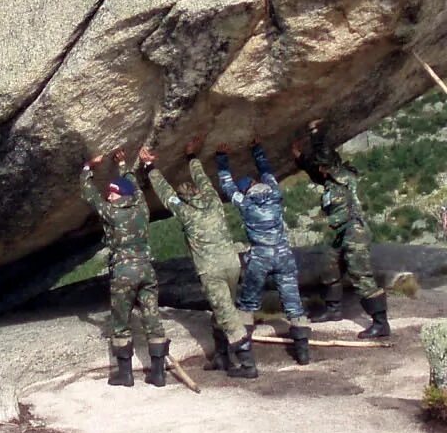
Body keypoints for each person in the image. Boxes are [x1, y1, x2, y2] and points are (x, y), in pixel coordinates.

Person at [147, 140, 250, 376]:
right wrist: (191, 156)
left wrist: (150, 168)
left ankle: (247, 364)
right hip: (233, 264)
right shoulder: (213, 201)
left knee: (226, 314)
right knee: (222, 308)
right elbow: (203, 178)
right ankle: (222, 357)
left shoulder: (185, 212)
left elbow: (166, 194)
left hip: (211, 271)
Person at [217, 142, 311, 367]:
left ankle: (245, 353)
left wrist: (221, 156)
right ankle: (303, 352)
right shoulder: (275, 195)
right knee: (293, 303)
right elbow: (267, 170)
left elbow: (226, 184)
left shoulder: (245, 203)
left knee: (248, 304)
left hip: (260, 258)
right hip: (283, 255)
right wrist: (257, 148)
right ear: (256, 184)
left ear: (245, 190)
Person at [80, 147, 169, 387]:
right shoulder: (141, 208)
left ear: (118, 196)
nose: (109, 196)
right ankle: (159, 373)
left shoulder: (110, 213)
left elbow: (90, 195)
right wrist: (123, 166)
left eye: (112, 193)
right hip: (146, 270)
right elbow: (136, 189)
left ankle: (125, 374)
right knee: (153, 318)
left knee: (120, 322)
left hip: (123, 272)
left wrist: (87, 168)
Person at [297, 121, 390, 340]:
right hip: (340, 231)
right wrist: (300, 159)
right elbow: (315, 171)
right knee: (329, 266)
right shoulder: (331, 181)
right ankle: (333, 310)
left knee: (360, 273)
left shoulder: (343, 175)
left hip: (354, 230)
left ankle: (380, 322)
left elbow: (323, 156)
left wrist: (316, 133)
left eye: (323, 166)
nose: (320, 169)